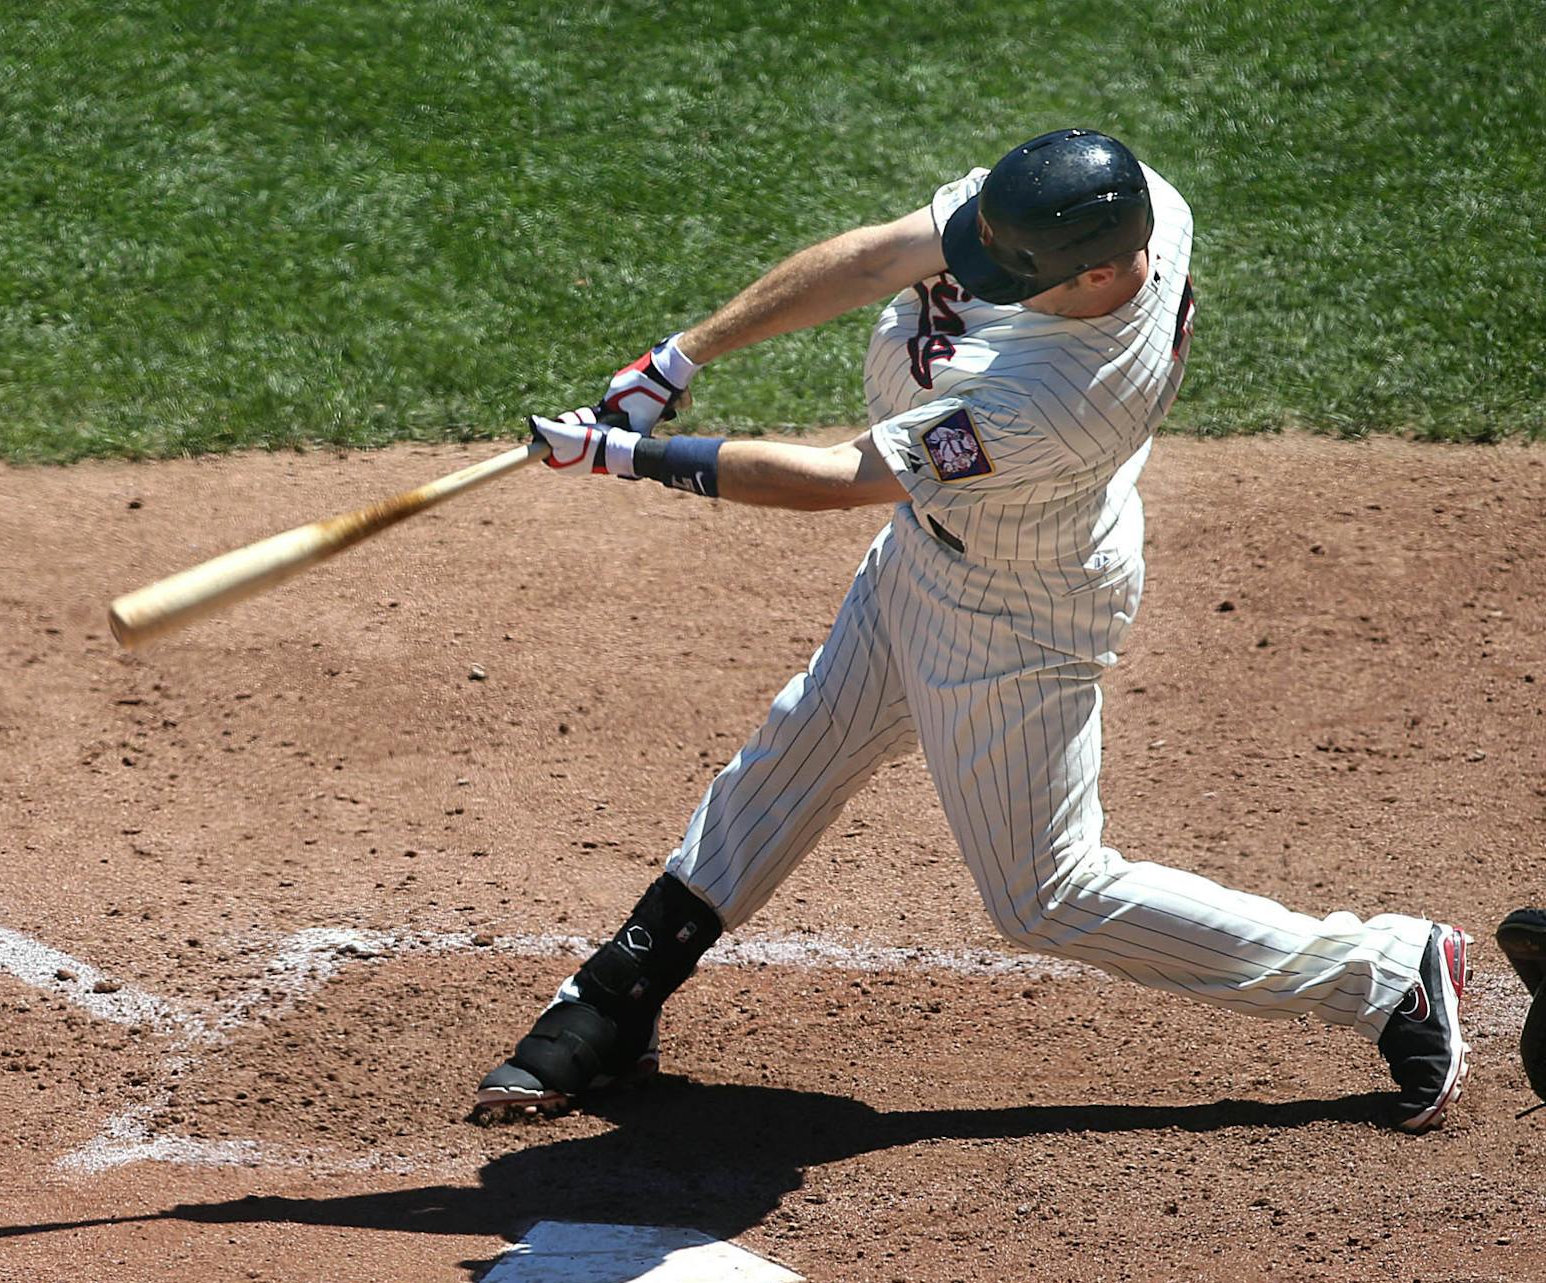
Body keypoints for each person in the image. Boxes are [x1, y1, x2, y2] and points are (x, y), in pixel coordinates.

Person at [477, 129, 1469, 1133]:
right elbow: (879, 258)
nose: (973, 267)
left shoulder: (1066, 400)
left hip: (1012, 607)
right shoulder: (1120, 202)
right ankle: (616, 993)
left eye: (1007, 269)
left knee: (1047, 892)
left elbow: (840, 477)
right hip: (935, 542)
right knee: (797, 751)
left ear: (1094, 275)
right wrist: (680, 355)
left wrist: (632, 456)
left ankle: (1386, 975)